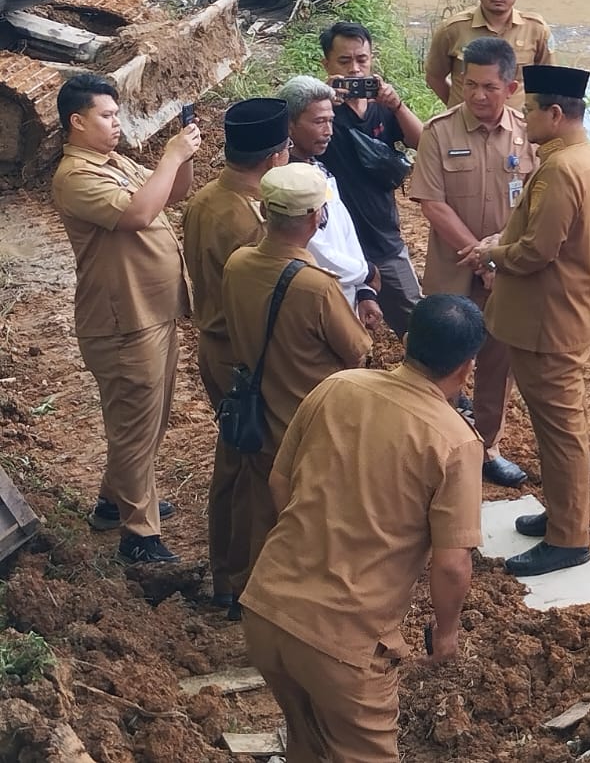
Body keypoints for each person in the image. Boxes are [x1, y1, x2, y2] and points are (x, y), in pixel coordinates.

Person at [241, 294, 484, 763]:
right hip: (344, 645)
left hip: (267, 608)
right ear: (467, 367)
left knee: (306, 742)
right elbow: (453, 565)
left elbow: (279, 481)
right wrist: (447, 631)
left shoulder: (338, 386)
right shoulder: (454, 440)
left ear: (407, 342)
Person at [51, 74, 199, 565]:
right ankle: (139, 536)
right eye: (107, 116)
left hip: (152, 314)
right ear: (77, 122)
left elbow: (167, 198)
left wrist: (185, 158)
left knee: (150, 421)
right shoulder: (75, 176)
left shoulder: (113, 162)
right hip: (122, 323)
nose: (117, 123)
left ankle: (113, 504)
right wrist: (171, 156)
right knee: (135, 427)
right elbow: (137, 214)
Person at [462, 64, 590, 577]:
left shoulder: (561, 169)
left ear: (556, 114)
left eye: (532, 111)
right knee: (555, 428)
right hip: (561, 311)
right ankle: (562, 515)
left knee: (562, 429)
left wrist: (494, 254)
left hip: (550, 319)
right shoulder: (583, 159)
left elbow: (540, 249)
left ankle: (569, 538)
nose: (524, 119)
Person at [221, 163, 371, 601]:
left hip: (258, 417)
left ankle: (247, 592)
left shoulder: (238, 264)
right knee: (308, 520)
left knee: (260, 512)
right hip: (307, 426)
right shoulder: (314, 286)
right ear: (314, 219)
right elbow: (357, 349)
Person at [410, 36, 538, 487]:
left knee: (496, 364)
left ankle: (487, 447)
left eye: (489, 87)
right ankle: (434, 448)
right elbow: (432, 203)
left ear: (511, 86)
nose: (478, 96)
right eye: (470, 85)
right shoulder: (439, 132)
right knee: (442, 360)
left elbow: (533, 206)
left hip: (506, 272)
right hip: (454, 273)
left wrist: (498, 252)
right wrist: (479, 256)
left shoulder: (528, 135)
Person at [181, 97, 290, 607]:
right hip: (244, 358)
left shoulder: (205, 198)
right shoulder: (253, 221)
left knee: (231, 457)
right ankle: (246, 580)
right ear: (274, 158)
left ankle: (227, 574)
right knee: (255, 467)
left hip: (216, 347)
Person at [318, 21, 424, 339]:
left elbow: (423, 143)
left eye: (362, 60)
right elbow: (291, 150)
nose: (354, 70)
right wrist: (323, 105)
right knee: (336, 329)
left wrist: (397, 105)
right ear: (327, 64)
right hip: (333, 244)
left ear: (371, 59)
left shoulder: (383, 107)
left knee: (416, 322)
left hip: (382, 238)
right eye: (344, 61)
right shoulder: (319, 110)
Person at [280, 76, 385, 334]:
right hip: (318, 312)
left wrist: (362, 291)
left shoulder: (317, 166)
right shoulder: (288, 184)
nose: (328, 131)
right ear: (289, 125)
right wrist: (365, 272)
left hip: (345, 300)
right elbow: (316, 251)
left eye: (330, 121)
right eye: (318, 122)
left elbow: (344, 231)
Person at [425, 0, 553, 113]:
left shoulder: (536, 30)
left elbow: (547, 85)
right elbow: (434, 77)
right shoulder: (453, 29)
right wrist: (459, 109)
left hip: (517, 132)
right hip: (464, 130)